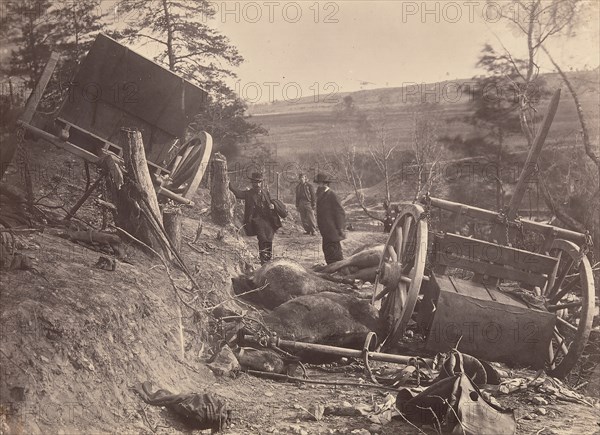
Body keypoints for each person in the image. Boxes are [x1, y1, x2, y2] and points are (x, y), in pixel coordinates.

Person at [229, 172, 280, 264]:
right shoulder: (248, 194)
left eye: (258, 182)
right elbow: (237, 193)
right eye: (254, 183)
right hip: (256, 219)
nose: (257, 184)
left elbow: (270, 201)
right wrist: (228, 183)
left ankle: (268, 259)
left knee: (269, 238)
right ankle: (263, 260)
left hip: (268, 219)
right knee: (262, 238)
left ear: (261, 183)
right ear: (252, 183)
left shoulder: (265, 192)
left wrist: (272, 205)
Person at [314, 173, 346, 264]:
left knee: (334, 252)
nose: (318, 186)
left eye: (319, 183)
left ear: (325, 184)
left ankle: (338, 270)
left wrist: (340, 228)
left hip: (332, 230)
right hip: (325, 230)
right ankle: (332, 269)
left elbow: (340, 212)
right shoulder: (321, 195)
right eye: (318, 184)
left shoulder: (332, 195)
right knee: (327, 251)